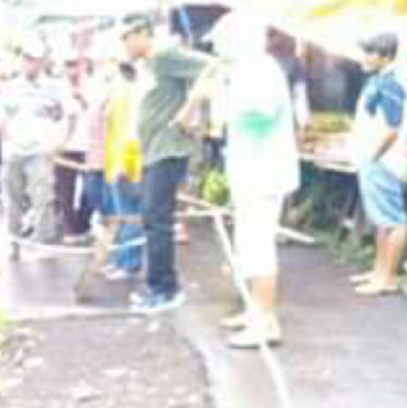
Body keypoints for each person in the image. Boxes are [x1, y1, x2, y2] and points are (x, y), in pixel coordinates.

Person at [188, 13, 300, 348]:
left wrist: (221, 96)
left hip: (263, 172)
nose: (219, 49)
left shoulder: (260, 70)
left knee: (259, 246)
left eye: (223, 43)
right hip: (250, 171)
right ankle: (254, 310)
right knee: (247, 246)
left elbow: (260, 114)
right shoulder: (246, 70)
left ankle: (265, 321)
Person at [122, 14, 213, 313]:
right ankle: (157, 284)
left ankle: (165, 289)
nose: (124, 44)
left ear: (141, 33)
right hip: (152, 151)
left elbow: (211, 66)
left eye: (126, 37)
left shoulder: (164, 55)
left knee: (156, 218)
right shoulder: (148, 65)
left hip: (168, 149)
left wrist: (190, 108)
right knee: (152, 218)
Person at [350, 32, 407, 297]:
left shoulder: (391, 85)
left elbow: (392, 128)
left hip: (383, 161)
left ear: (384, 56)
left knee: (393, 220)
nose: (363, 57)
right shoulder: (378, 81)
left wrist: (374, 155)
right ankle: (378, 271)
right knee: (380, 220)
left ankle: (388, 277)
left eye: (369, 52)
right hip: (371, 158)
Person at [1, 39, 66, 256]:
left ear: (42, 62)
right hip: (14, 151)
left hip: (40, 151)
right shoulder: (9, 88)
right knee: (13, 199)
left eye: (35, 60)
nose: (30, 64)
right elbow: (1, 121)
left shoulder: (54, 88)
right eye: (27, 59)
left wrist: (59, 143)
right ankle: (14, 242)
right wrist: (7, 143)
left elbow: (68, 114)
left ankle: (41, 243)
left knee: (43, 199)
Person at [86, 61, 145, 279]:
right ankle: (122, 259)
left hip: (127, 163)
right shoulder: (119, 95)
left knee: (128, 216)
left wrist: (122, 163)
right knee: (120, 215)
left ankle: (129, 263)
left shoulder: (126, 96)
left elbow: (129, 133)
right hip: (117, 162)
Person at [56, 50, 94, 241]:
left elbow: (97, 111)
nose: (72, 69)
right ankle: (70, 229)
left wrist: (81, 98)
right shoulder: (56, 87)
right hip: (65, 146)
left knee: (92, 188)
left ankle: (83, 223)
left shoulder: (95, 84)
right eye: (68, 65)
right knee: (65, 190)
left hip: (89, 145)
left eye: (75, 64)